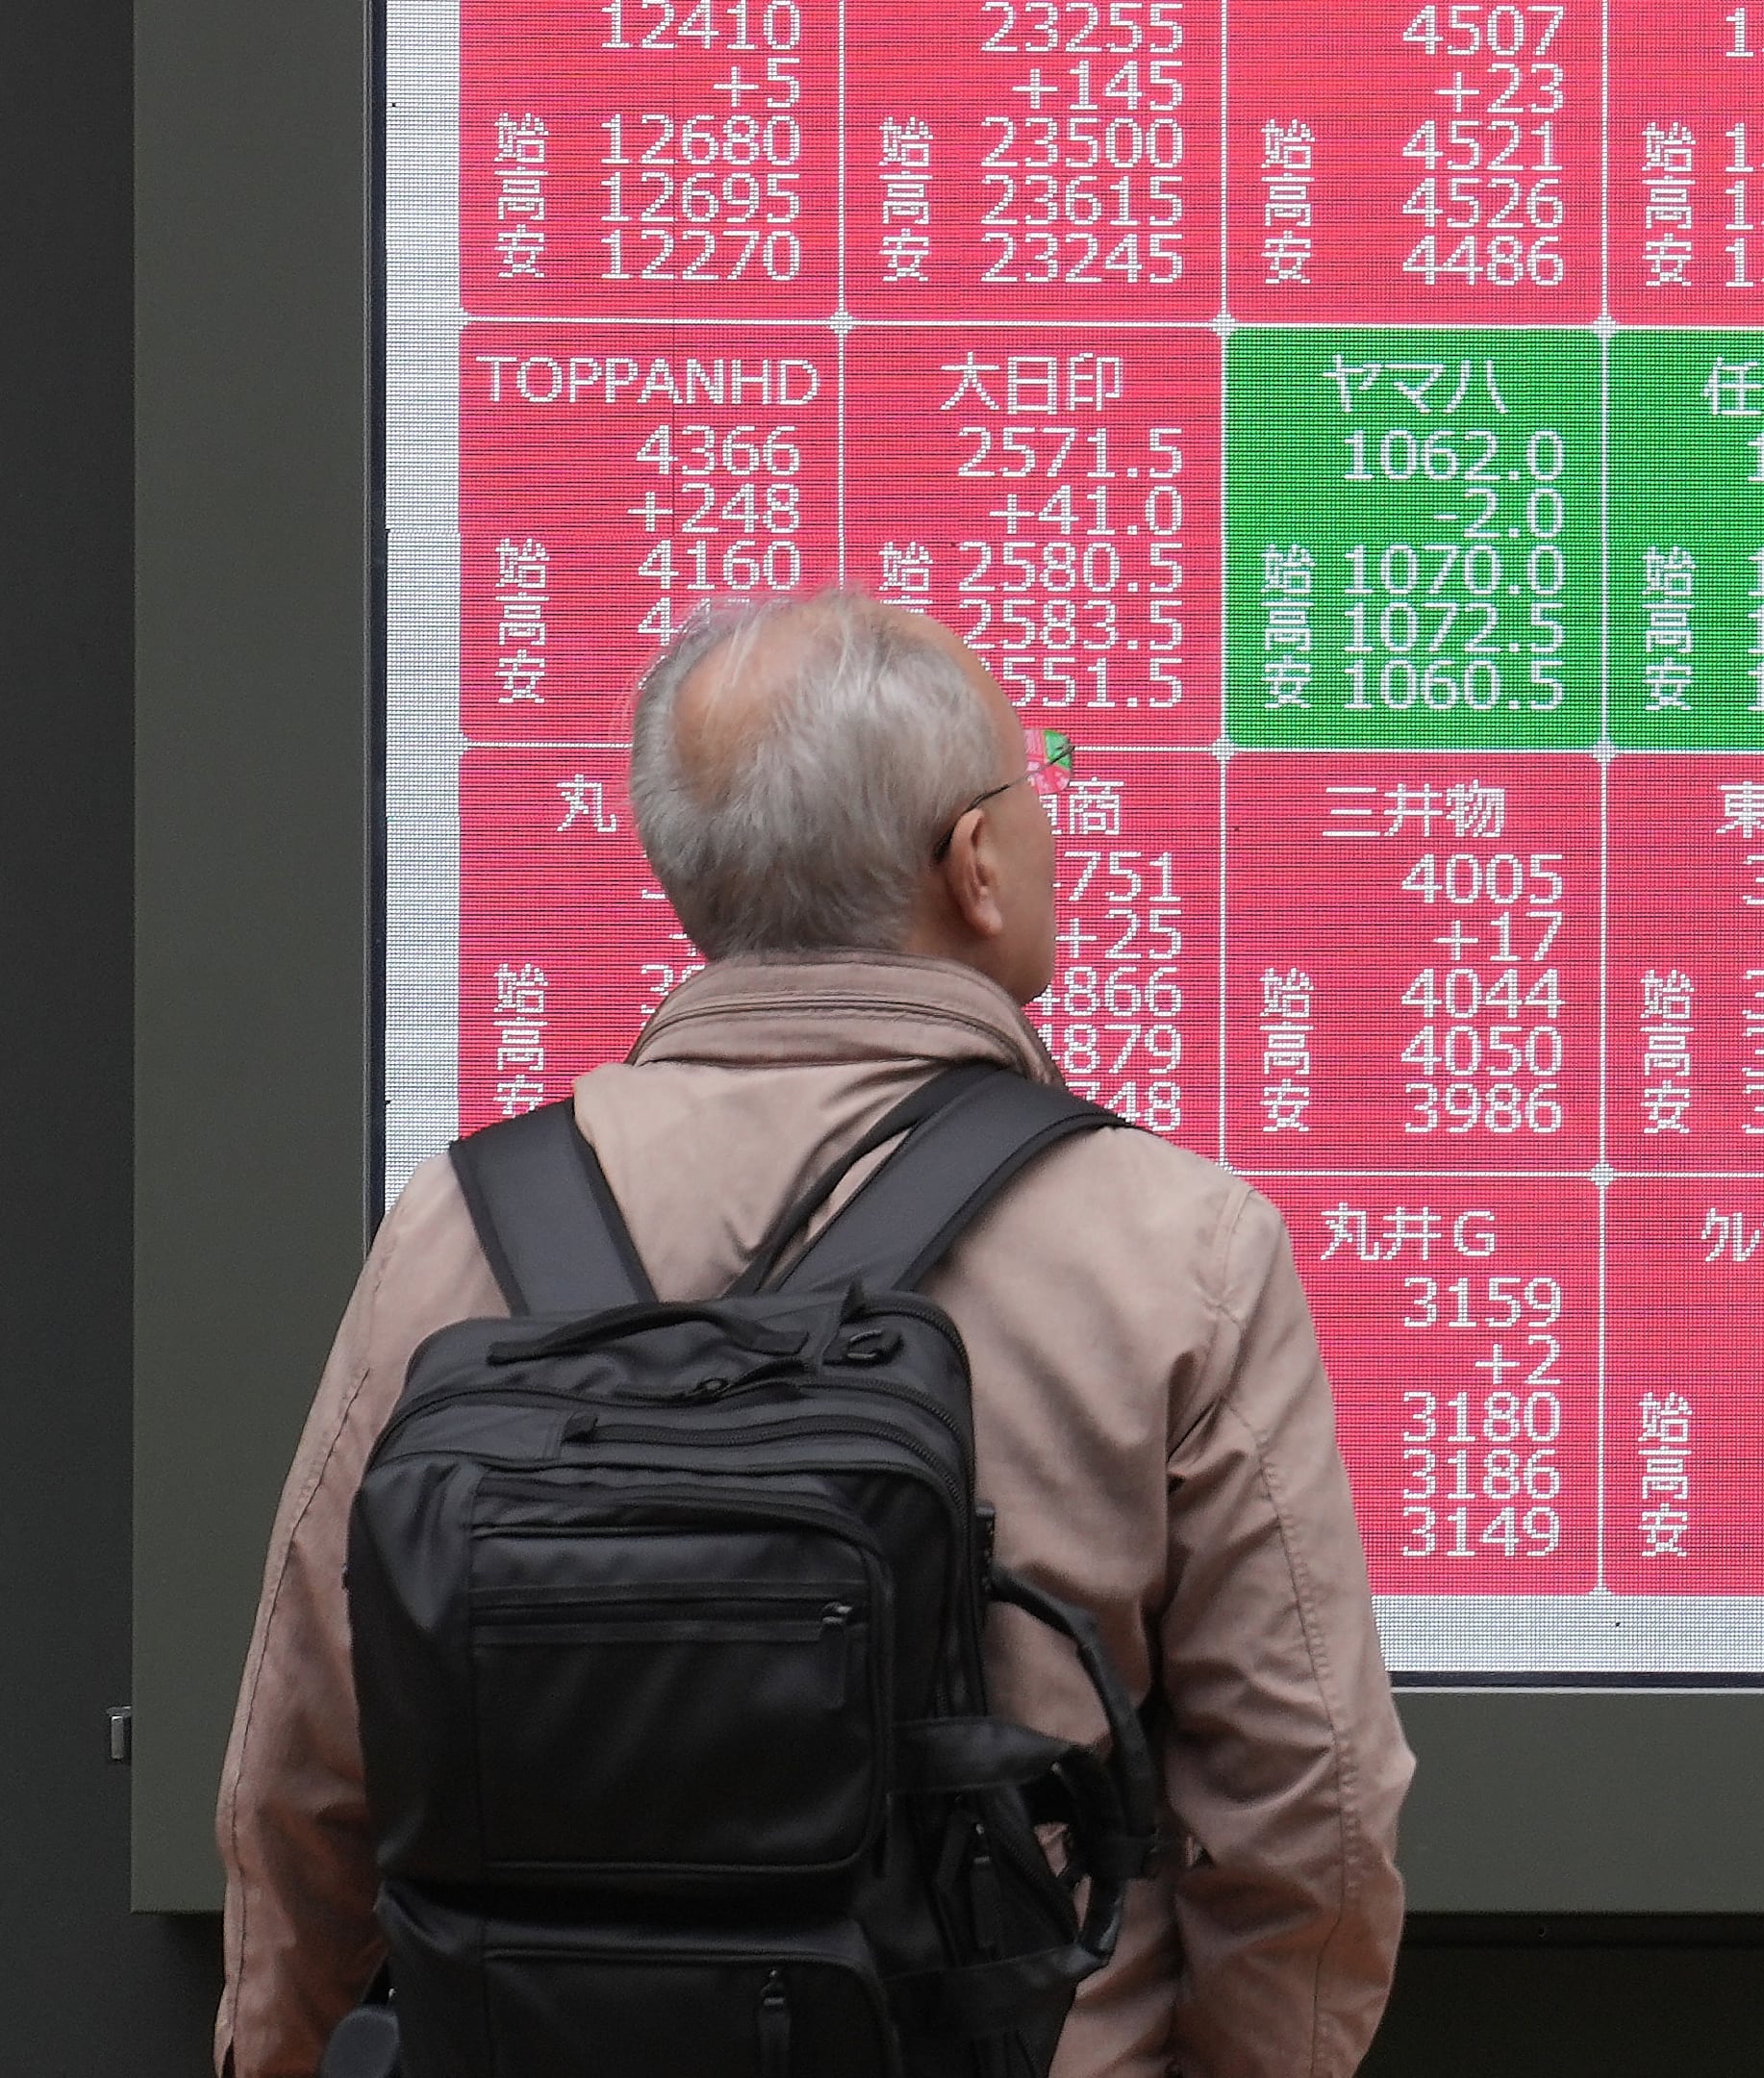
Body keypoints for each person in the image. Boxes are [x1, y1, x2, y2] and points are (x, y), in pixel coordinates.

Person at [215, 592, 1411, 2075]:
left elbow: (305, 1784)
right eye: (1038, 781)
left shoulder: (457, 1227)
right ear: (973, 865)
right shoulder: (1176, 1245)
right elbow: (1309, 1814)